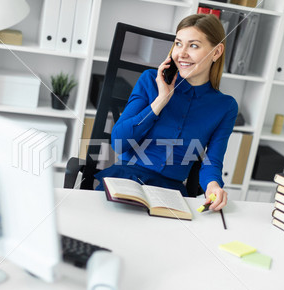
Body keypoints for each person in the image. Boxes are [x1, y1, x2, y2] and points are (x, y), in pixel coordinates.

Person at [95, 14, 238, 211]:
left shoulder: (225, 106)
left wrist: (213, 185)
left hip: (170, 192)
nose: (182, 53)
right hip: (126, 180)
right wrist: (160, 100)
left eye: (193, 46)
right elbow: (119, 142)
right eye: (178, 44)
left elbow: (212, 161)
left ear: (216, 52)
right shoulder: (150, 81)